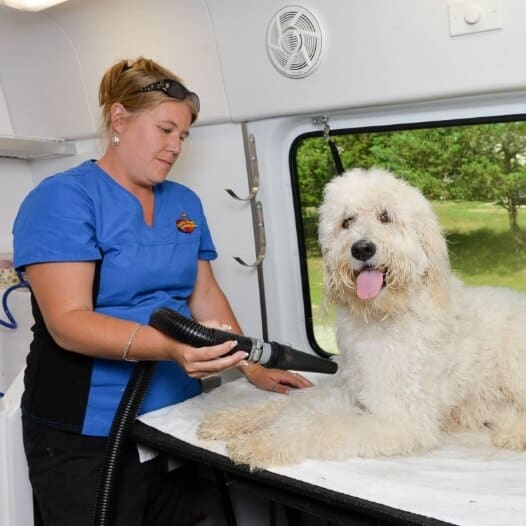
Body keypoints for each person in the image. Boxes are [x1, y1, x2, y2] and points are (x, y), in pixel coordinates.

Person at [12, 56, 312, 526]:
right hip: (90, 430)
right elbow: (68, 322)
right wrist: (172, 347)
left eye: (184, 136)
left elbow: (205, 295)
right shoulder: (64, 198)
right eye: (165, 130)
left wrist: (251, 365)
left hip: (177, 417)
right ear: (119, 118)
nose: (176, 146)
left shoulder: (184, 202)